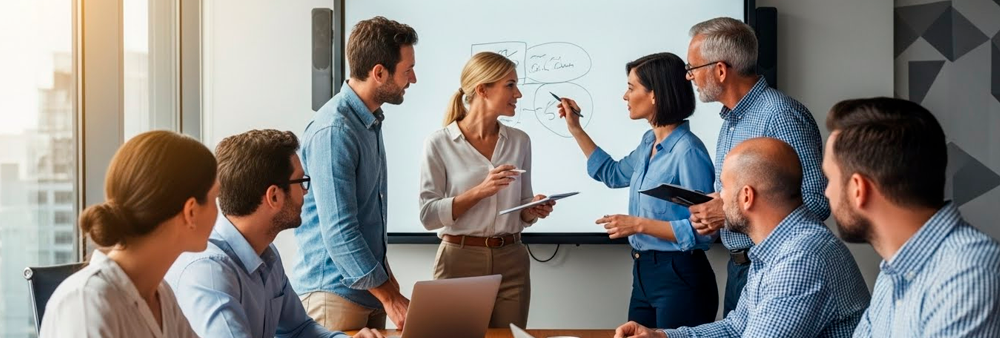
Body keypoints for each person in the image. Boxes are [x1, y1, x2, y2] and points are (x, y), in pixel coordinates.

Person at [614, 137, 869, 338]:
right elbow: (735, 329)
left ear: (747, 197)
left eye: (723, 188)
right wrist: (662, 336)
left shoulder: (801, 258)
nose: (717, 198)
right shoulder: (775, 248)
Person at [166, 130, 383, 338]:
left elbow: (299, 330)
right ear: (274, 196)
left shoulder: (267, 254)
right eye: (301, 182)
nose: (306, 191)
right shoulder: (210, 272)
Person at [556, 52, 717, 329]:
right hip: (643, 272)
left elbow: (705, 230)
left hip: (679, 274)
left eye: (631, 88)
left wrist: (639, 225)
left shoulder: (688, 151)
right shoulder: (647, 143)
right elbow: (612, 173)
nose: (625, 96)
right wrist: (576, 129)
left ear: (655, 95)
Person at [683, 17, 829, 316]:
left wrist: (726, 211)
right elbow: (744, 197)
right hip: (740, 269)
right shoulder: (731, 121)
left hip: (776, 268)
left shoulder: (781, 116)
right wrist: (715, 210)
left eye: (692, 68)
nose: (689, 77)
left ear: (720, 70)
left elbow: (817, 202)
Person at [822, 98, 1000, 337]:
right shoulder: (893, 273)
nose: (826, 192)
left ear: (858, 189)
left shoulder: (969, 271)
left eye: (830, 179)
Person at [292, 16, 417, 331]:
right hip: (334, 296)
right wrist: (389, 296)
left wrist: (386, 284)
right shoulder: (335, 130)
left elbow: (367, 216)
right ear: (379, 73)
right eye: (407, 70)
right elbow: (340, 231)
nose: (413, 78)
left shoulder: (368, 121)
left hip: (367, 292)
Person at [418, 52, 555, 328]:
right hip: (458, 260)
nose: (518, 94)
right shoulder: (439, 143)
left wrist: (532, 210)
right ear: (482, 89)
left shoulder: (520, 141)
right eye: (510, 85)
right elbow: (428, 215)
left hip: (512, 260)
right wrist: (481, 190)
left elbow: (521, 210)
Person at [39, 131, 218, 338]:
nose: (218, 211)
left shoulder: (161, 295)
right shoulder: (87, 303)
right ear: (191, 211)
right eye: (215, 198)